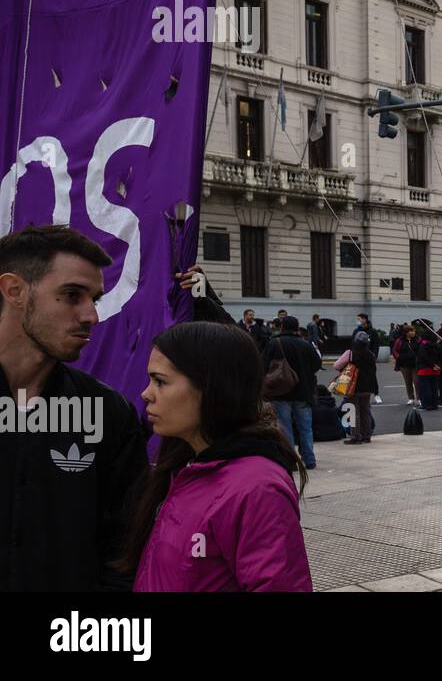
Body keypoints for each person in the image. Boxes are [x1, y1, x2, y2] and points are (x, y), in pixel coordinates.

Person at [0, 225, 148, 591]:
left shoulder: (109, 412)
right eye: (71, 295)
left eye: (94, 299)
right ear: (15, 291)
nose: (91, 317)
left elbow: (125, 548)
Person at [124, 321, 312, 591]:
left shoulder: (257, 489)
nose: (146, 393)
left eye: (160, 381)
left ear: (210, 386)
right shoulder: (185, 465)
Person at [262, 315, 320, 470]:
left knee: (285, 427)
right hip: (303, 392)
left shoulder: (274, 343)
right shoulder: (306, 344)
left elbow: (263, 365)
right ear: (296, 328)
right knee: (305, 428)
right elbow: (316, 364)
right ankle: (309, 459)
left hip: (281, 392)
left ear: (282, 327)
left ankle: (290, 460)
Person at [342, 332, 378, 444]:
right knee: (365, 411)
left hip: (353, 386)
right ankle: (367, 435)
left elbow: (336, 365)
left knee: (353, 412)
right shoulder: (371, 355)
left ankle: (355, 436)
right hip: (368, 386)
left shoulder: (350, 354)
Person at [392, 324, 420, 407]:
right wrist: (399, 357)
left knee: (417, 382)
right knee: (408, 382)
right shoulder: (399, 341)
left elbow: (422, 349)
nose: (413, 332)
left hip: (415, 364)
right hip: (404, 365)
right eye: (411, 331)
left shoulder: (418, 340)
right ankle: (411, 398)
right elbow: (394, 350)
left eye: (413, 331)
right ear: (406, 332)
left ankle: (419, 398)